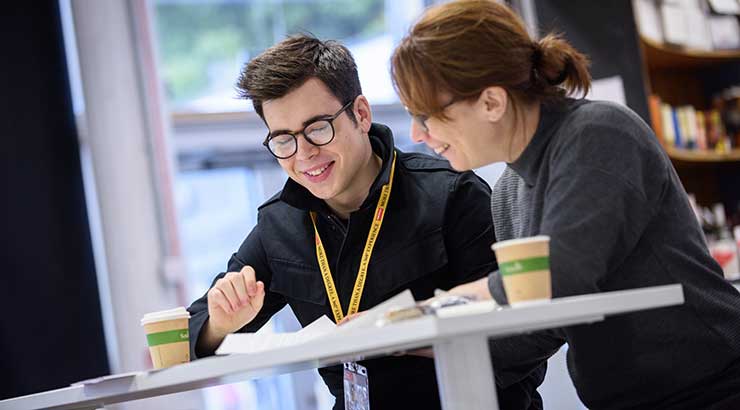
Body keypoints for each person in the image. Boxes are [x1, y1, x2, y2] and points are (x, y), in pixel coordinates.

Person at [390, 1, 740, 409]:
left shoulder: (600, 134)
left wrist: (426, 310)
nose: (417, 134)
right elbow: (540, 325)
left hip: (713, 388)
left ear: (491, 103)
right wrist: (413, 341)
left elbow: (558, 276)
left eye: (426, 115)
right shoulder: (508, 191)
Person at [187, 34, 544, 410]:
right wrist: (221, 325)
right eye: (283, 140)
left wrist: (418, 336)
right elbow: (194, 331)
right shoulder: (278, 225)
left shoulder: (453, 195)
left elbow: (525, 338)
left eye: (318, 128)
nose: (304, 153)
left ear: (360, 114)